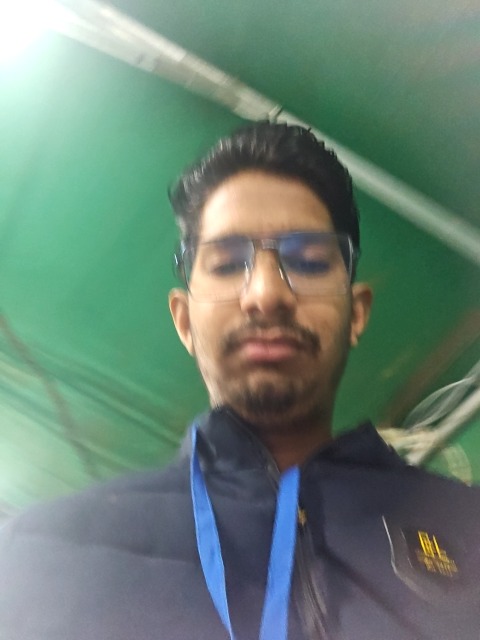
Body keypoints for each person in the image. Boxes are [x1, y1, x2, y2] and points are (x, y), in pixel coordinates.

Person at [0, 122, 479, 640]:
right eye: (228, 264)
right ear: (184, 321)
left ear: (357, 314)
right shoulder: (35, 556)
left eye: (308, 262)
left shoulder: (468, 527)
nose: (266, 294)